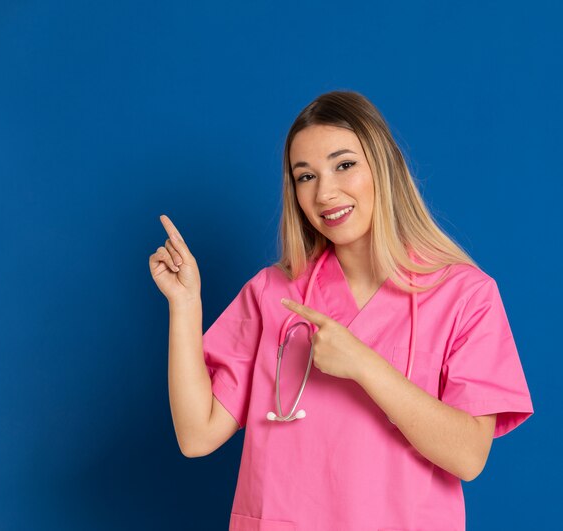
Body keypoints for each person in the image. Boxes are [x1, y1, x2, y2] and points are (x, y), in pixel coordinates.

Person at [149, 90, 534, 531]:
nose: (325, 192)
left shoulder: (464, 295)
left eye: (344, 164)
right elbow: (197, 434)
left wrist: (363, 364)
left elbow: (468, 456)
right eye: (305, 176)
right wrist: (184, 305)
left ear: (382, 167)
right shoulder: (272, 292)